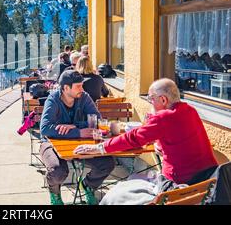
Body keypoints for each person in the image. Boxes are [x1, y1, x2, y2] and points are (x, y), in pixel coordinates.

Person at [74, 78, 218, 203]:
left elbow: (133, 138)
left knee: (125, 185)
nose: (149, 102)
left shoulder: (164, 118)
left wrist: (100, 148)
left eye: (151, 99)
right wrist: (160, 142)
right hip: (208, 183)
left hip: (178, 187)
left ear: (163, 100)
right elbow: (173, 136)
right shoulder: (190, 110)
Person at [39, 70, 115, 205]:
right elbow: (45, 129)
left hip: (78, 143)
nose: (82, 88)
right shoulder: (53, 100)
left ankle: (87, 186)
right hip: (50, 142)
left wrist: (74, 126)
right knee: (58, 171)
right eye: (78, 86)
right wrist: (78, 132)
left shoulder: (84, 97)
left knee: (107, 163)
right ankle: (54, 192)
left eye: (82, 85)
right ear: (66, 88)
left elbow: (97, 120)